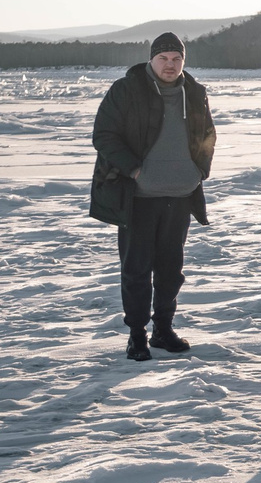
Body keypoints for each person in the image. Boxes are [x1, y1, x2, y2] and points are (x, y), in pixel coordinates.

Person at [88, 32, 217, 361]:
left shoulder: (195, 92)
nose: (170, 65)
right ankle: (137, 335)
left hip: (179, 196)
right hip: (139, 198)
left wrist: (198, 171)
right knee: (136, 269)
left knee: (171, 269)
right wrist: (133, 170)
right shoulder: (127, 89)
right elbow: (104, 134)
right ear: (151, 59)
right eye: (164, 58)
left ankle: (163, 329)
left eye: (177, 59)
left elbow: (207, 136)